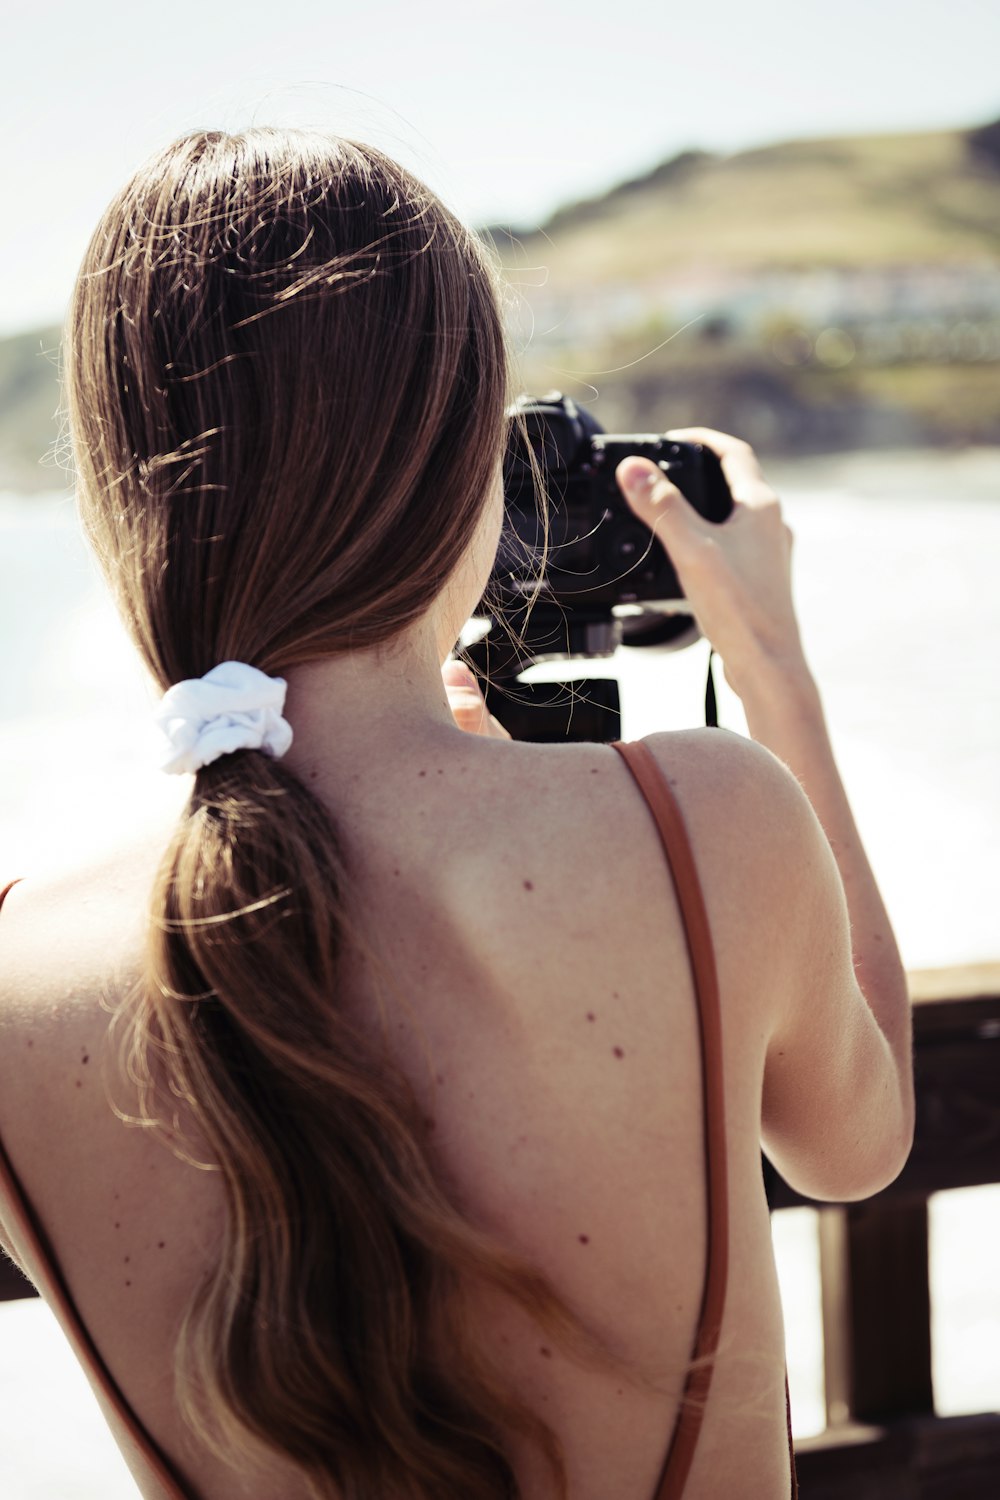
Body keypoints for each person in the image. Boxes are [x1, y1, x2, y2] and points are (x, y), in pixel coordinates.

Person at [0, 128, 913, 1500]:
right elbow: (858, 1144)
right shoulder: (698, 828)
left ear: (124, 501)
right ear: (459, 473)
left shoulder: (18, 972)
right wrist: (769, 665)